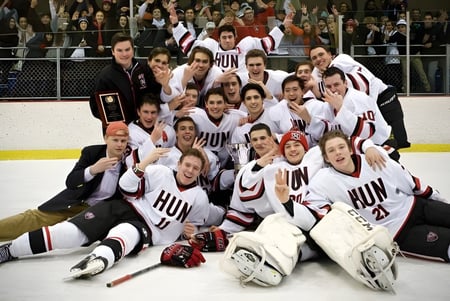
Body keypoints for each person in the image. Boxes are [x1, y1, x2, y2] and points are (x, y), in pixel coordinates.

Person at [0, 148, 210, 278]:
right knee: (70, 232)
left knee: (125, 233)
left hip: (145, 228)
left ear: (200, 172)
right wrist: (145, 162)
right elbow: (126, 186)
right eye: (187, 165)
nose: (190, 170)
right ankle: (12, 249)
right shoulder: (161, 172)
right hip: (121, 207)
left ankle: (98, 260)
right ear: (179, 164)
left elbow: (196, 225)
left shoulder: (199, 197)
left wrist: (192, 230)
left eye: (195, 168)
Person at [305, 129, 450, 262]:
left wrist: (439, 202)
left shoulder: (373, 160)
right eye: (331, 150)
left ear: (350, 150)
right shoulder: (322, 181)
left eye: (341, 147)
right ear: (326, 158)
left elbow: (412, 183)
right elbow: (314, 209)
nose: (338, 152)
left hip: (417, 206)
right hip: (396, 233)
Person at [0, 122, 130, 242]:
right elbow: (71, 182)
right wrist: (92, 170)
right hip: (77, 201)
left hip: (99, 211)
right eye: (115, 140)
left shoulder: (128, 162)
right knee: (35, 217)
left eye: (123, 141)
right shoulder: (92, 153)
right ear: (106, 138)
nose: (119, 145)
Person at [309, 45, 411, 149]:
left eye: (321, 54)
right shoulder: (317, 73)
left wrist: (318, 87)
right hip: (369, 103)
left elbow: (361, 84)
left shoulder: (341, 59)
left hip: (383, 98)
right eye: (314, 58)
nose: (318, 59)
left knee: (398, 141)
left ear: (330, 55)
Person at [169, 4, 293, 72]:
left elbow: (268, 43)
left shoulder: (246, 45)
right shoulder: (211, 46)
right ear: (219, 39)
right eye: (224, 37)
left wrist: (282, 27)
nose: (227, 40)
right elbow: (190, 44)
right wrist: (176, 24)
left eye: (230, 37)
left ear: (235, 37)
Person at [89, 33, 171, 132]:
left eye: (127, 50)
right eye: (119, 50)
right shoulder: (105, 77)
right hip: (120, 131)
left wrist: (162, 84)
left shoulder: (144, 69)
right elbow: (96, 107)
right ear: (113, 52)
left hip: (145, 126)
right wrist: (113, 121)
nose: (124, 54)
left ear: (133, 50)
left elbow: (155, 95)